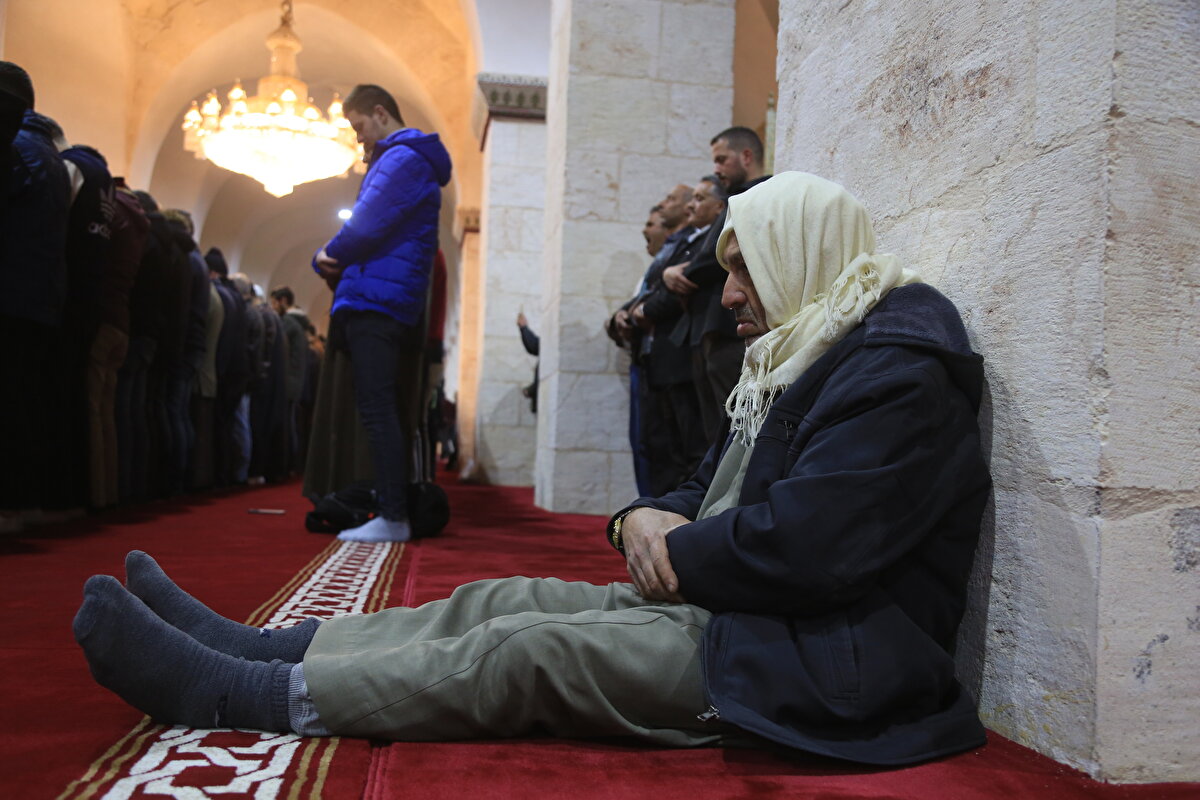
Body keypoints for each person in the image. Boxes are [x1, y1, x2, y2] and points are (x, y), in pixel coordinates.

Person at [73, 172, 990, 765]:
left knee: (524, 651)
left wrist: (681, 546)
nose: (734, 295)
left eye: (747, 269)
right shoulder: (805, 351)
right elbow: (698, 479)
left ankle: (239, 691)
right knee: (497, 601)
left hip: (816, 658)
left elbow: (810, 547)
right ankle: (260, 644)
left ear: (804, 255)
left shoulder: (897, 371)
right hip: (745, 605)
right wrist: (640, 519)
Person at [311, 83, 452, 543]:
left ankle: (392, 515)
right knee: (377, 408)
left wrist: (325, 255)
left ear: (379, 112)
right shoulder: (402, 159)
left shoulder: (402, 157)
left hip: (378, 298)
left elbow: (366, 223)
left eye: (358, 126)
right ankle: (386, 509)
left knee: (378, 409)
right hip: (380, 295)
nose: (358, 139)